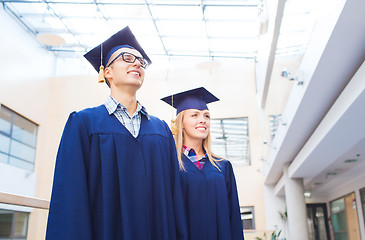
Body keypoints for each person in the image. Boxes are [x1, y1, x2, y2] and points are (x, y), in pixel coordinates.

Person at [46, 26, 187, 240]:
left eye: (141, 61)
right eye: (127, 57)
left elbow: (174, 197)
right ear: (107, 72)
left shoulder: (161, 131)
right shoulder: (84, 123)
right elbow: (70, 195)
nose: (137, 63)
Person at [161, 87, 244, 240]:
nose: (203, 120)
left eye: (206, 116)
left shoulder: (223, 167)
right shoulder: (170, 165)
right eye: (194, 115)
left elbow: (234, 218)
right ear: (181, 123)